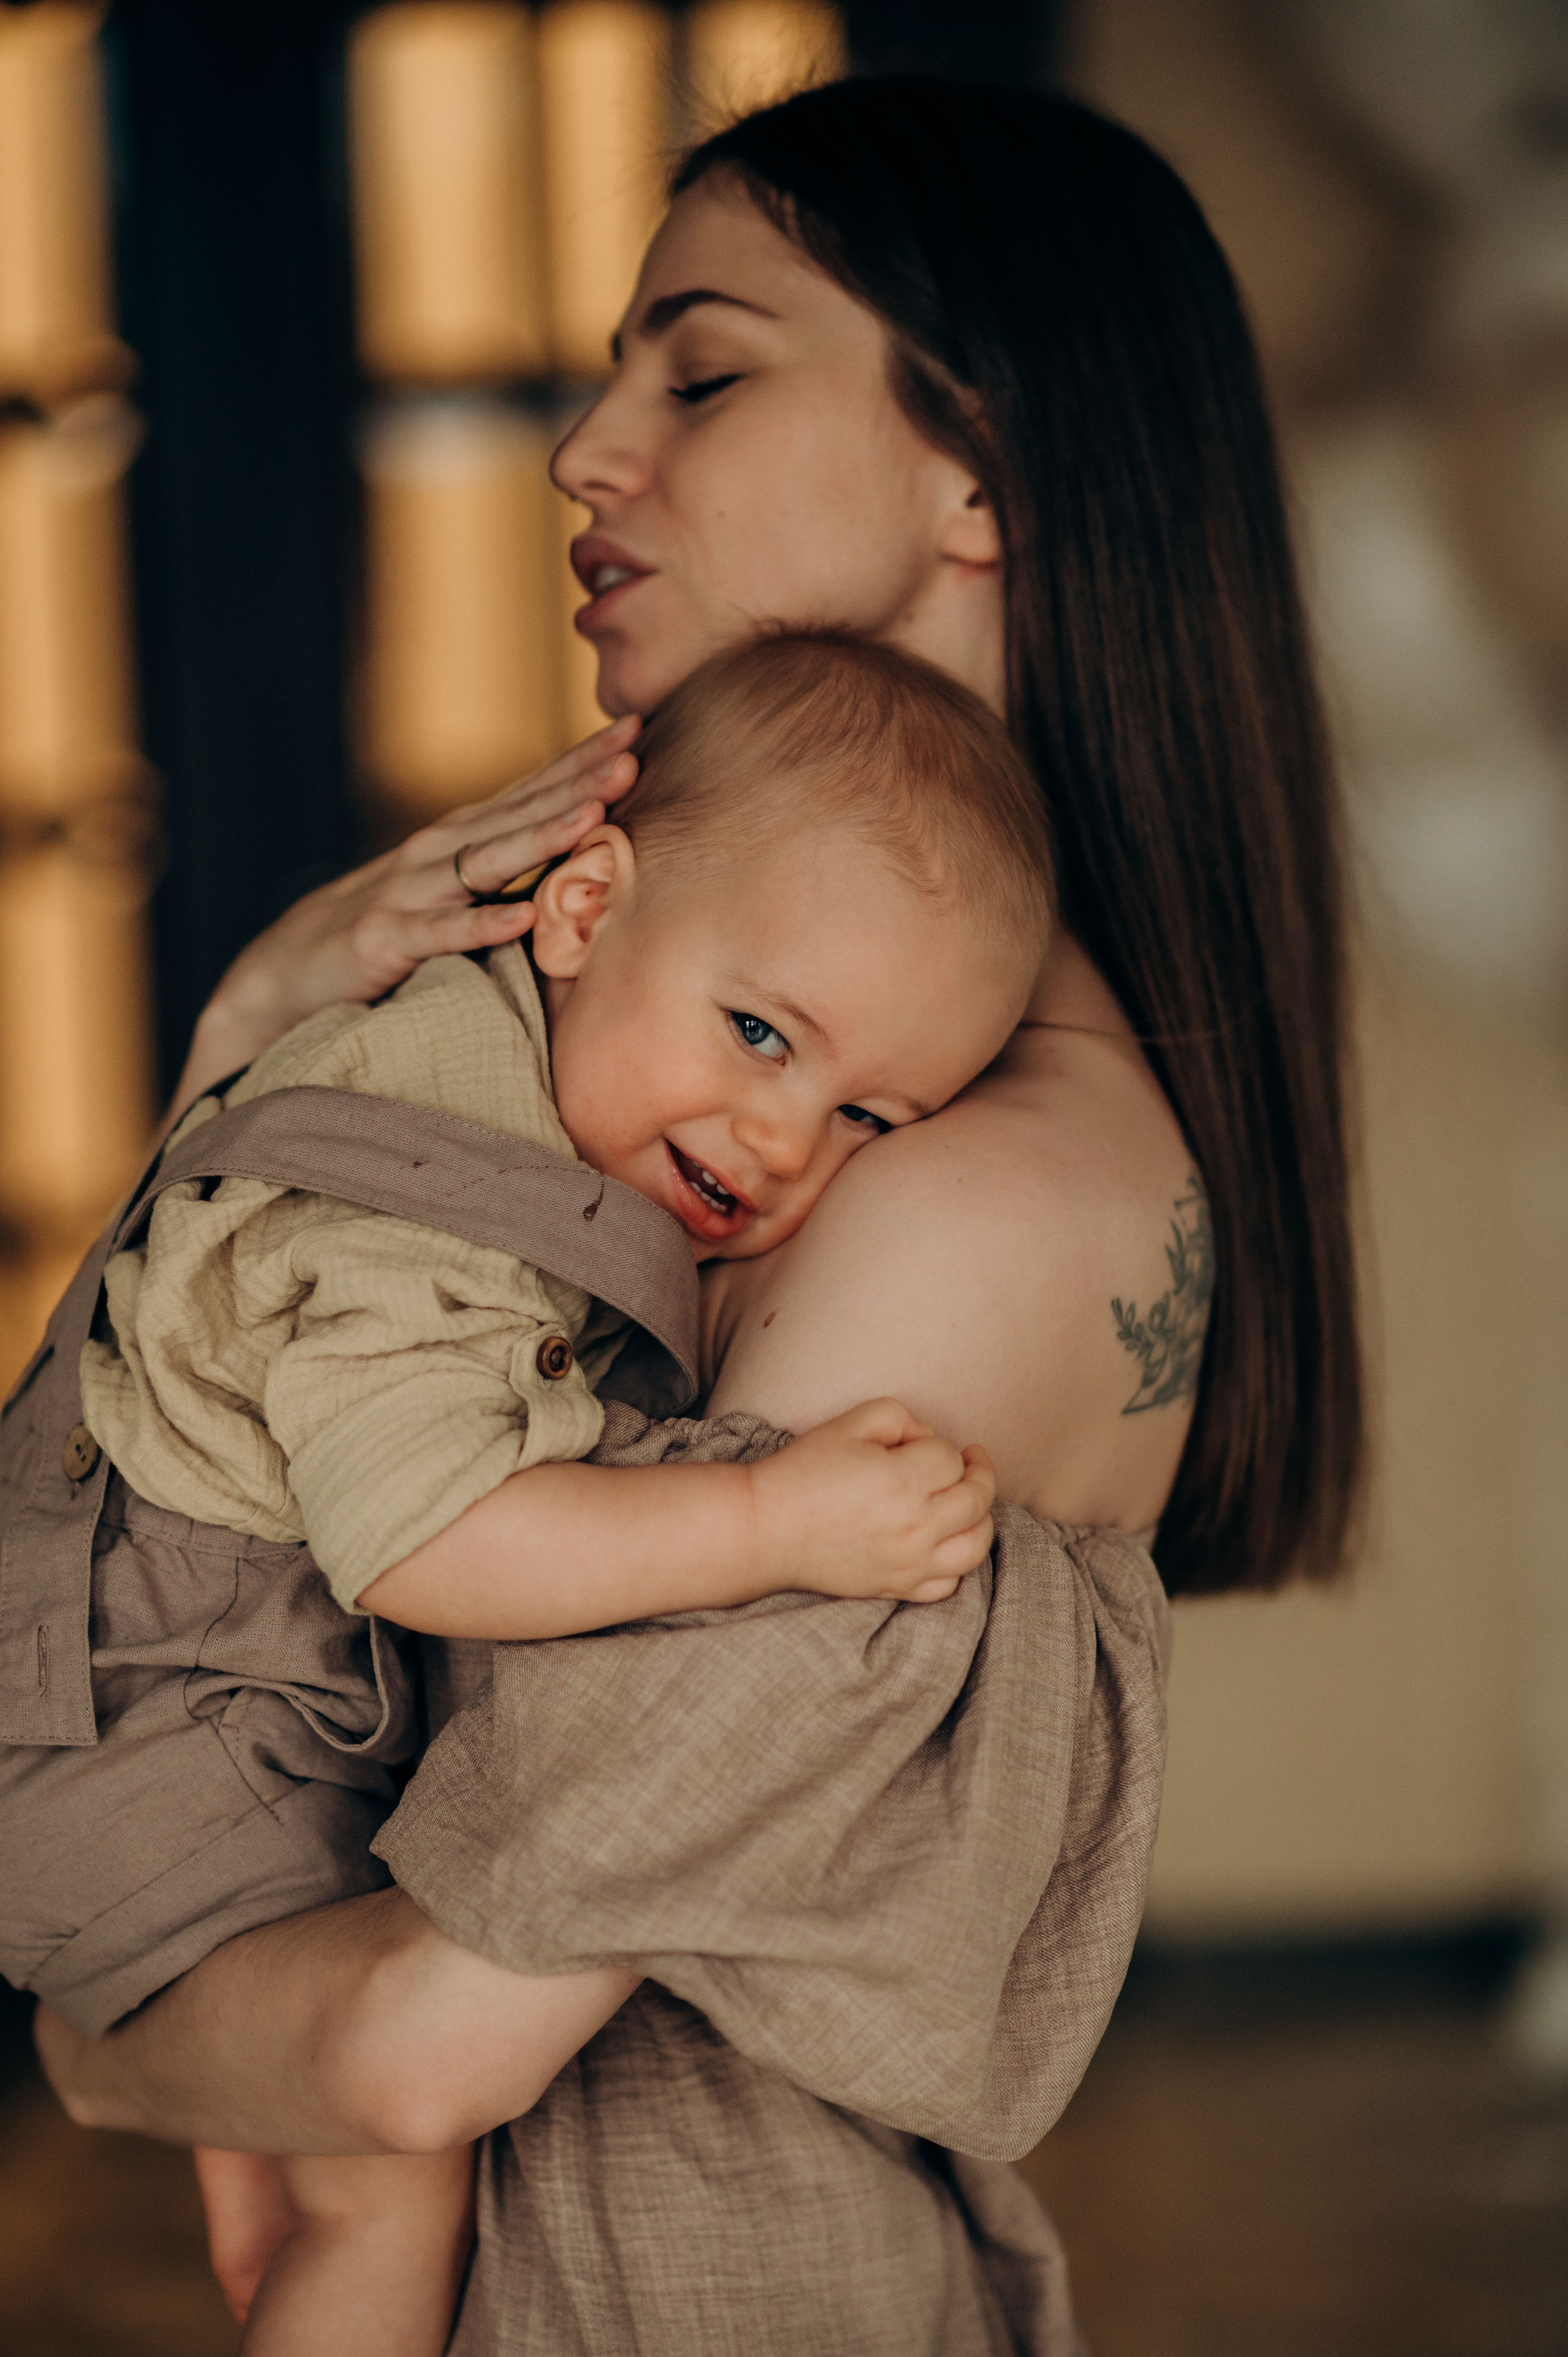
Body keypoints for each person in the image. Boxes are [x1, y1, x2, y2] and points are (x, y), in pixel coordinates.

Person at [29, 80, 1362, 2356]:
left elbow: (419, 2038)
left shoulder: (945, 1193)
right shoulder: (748, 1085)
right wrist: (259, 1024)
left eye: (706, 370)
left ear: (982, 475)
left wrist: (95, 2041)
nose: (583, 452)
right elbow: (220, 1473)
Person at [4, 632, 1049, 2355]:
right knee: (383, 2192)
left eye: (870, 1112)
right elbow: (431, 1541)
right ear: (579, 910)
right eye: (761, 1031)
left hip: (204, 1705)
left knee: (296, 2218)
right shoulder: (428, 1202)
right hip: (145, 1725)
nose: (785, 1138)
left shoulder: (508, 1071)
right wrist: (774, 1522)